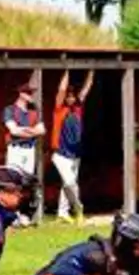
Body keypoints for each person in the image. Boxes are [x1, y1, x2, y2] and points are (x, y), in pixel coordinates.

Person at [50, 69, 94, 222]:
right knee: (70, 182)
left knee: (67, 184)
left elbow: (86, 89)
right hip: (61, 154)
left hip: (75, 154)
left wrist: (91, 72)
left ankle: (62, 213)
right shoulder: (59, 110)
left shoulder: (77, 110)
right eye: (68, 97)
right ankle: (79, 210)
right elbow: (61, 90)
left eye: (72, 96)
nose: (69, 98)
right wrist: (67, 70)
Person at [1, 81, 45, 225]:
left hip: (29, 150)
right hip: (15, 149)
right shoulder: (9, 110)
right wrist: (32, 131)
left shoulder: (34, 111)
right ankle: (12, 215)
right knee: (12, 182)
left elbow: (42, 130)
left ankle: (25, 214)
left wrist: (24, 131)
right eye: (28, 93)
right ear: (21, 94)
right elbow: (13, 130)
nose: (31, 95)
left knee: (26, 183)